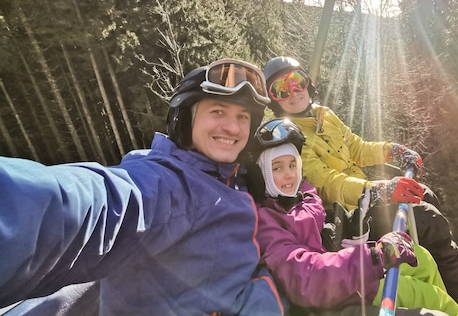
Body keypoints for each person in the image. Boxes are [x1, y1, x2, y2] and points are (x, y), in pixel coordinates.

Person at [0, 59, 287, 315]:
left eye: (243, 117)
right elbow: (98, 204)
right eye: (218, 111)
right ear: (185, 120)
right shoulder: (170, 183)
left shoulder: (232, 180)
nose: (233, 128)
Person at [261, 56, 458, 315]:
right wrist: (379, 189)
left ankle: (450, 272)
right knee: (425, 217)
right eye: (281, 89)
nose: (294, 92)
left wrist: (393, 151)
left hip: (366, 198)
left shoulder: (324, 115)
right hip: (350, 214)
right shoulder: (289, 137)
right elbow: (329, 184)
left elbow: (357, 147)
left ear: (308, 83)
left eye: (298, 81)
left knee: (426, 195)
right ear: (273, 99)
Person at [247, 118, 458, 316]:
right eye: (277, 168)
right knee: (435, 300)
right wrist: (373, 255)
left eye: (293, 165)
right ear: (262, 173)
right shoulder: (268, 223)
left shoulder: (304, 199)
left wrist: (349, 240)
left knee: (421, 257)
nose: (289, 174)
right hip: (338, 291)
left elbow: (357, 147)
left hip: (344, 273)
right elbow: (305, 276)